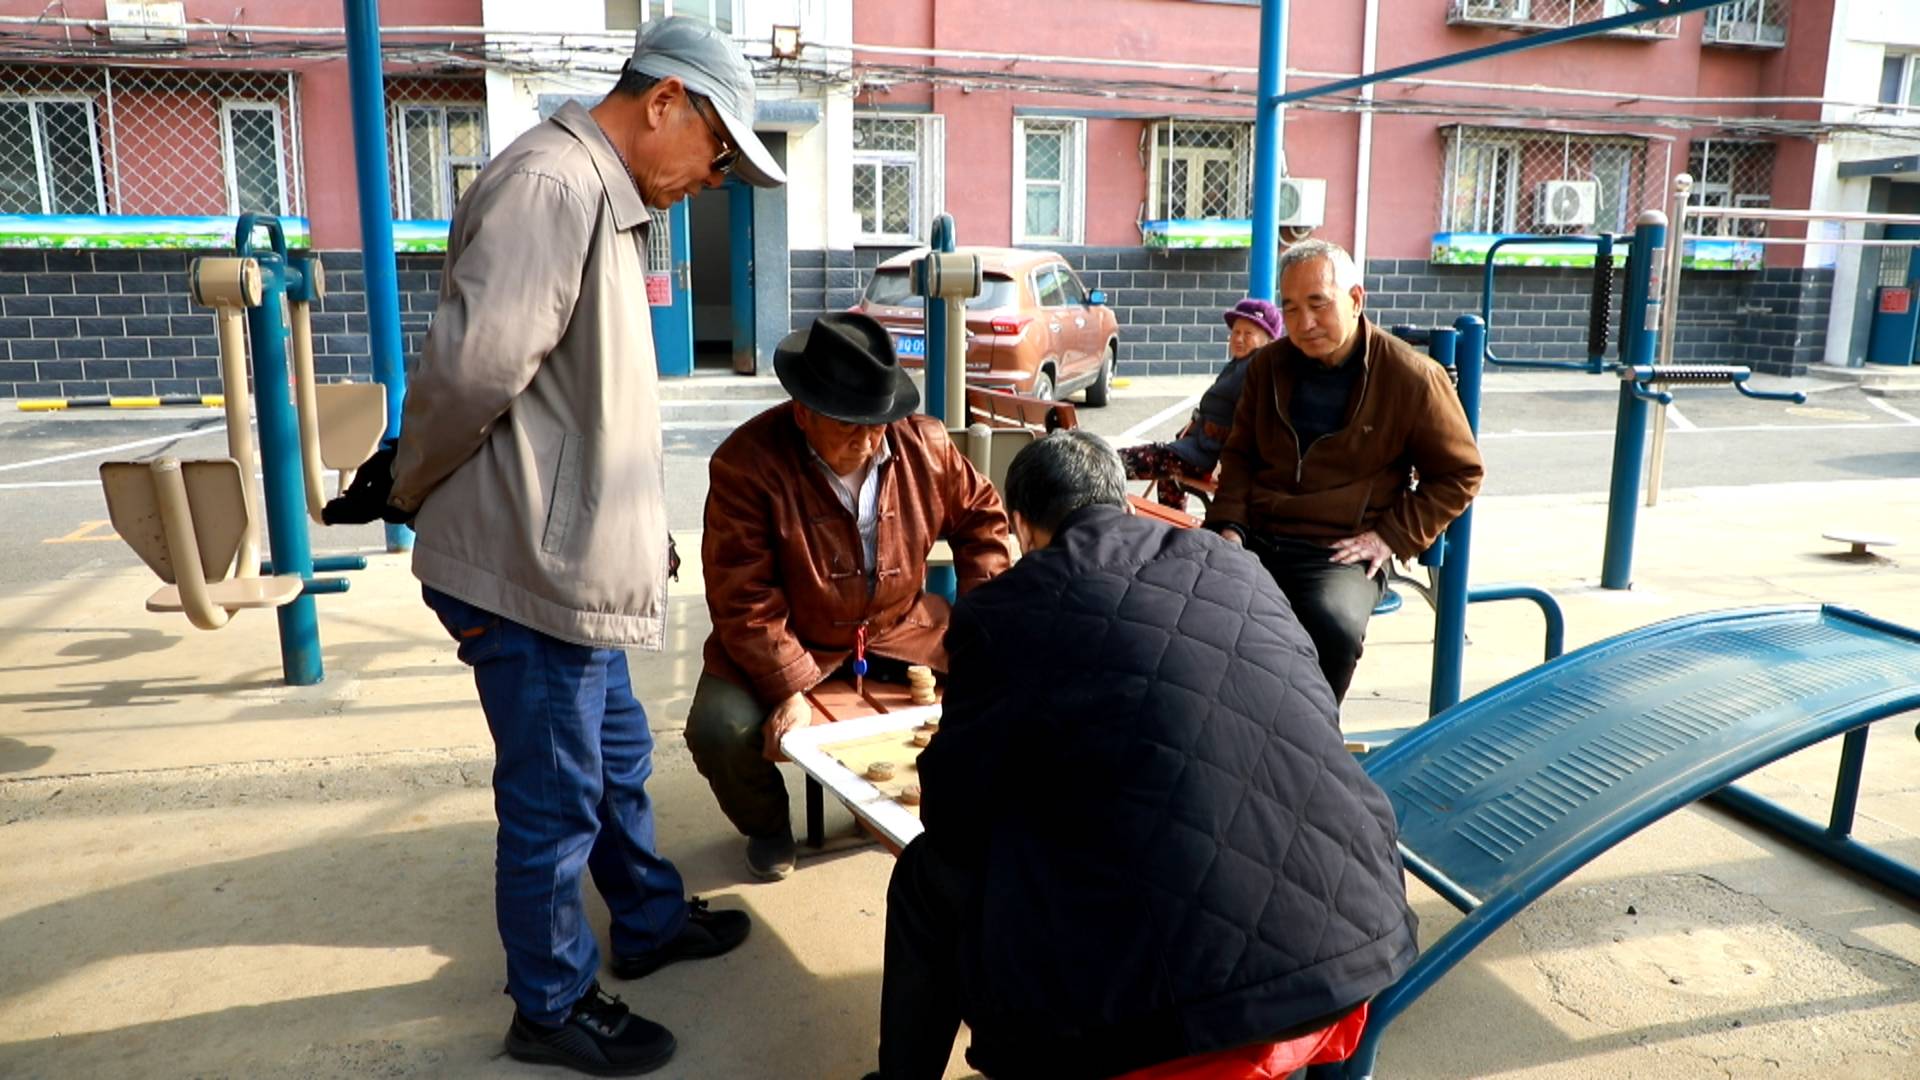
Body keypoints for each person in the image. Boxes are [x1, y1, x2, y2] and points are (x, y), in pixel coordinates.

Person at [323, 17, 784, 1077]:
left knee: (616, 758)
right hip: (528, 565)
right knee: (553, 796)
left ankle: (649, 921)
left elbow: (584, 401)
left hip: (571, 559)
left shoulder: (606, 198)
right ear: (664, 99)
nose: (712, 178)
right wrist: (411, 481)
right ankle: (552, 999)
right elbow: (473, 375)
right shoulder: (554, 186)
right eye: (716, 152)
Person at [868, 430, 1419, 1080]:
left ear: (1021, 526)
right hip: (1354, 943)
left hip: (1155, 1017)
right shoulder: (1237, 566)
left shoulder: (1007, 610)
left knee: (926, 880)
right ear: (1123, 503)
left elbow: (954, 811)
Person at [690, 311, 1011, 882]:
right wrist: (788, 682)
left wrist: (982, 619)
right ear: (803, 413)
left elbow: (983, 519)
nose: (867, 441)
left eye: (878, 423)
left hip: (898, 627)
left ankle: (941, 807)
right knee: (721, 727)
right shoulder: (746, 464)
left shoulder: (925, 445)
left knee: (1000, 684)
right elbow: (742, 596)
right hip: (790, 639)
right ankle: (767, 825)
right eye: (850, 426)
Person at [1206, 239, 1483, 704]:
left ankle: (1305, 740)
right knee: (1193, 608)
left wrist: (1391, 537)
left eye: (1319, 304)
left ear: (1356, 299)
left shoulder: (1411, 377)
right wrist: (1228, 527)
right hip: (1258, 533)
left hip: (1337, 550)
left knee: (1331, 623)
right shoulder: (1266, 366)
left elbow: (1460, 472)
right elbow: (1240, 456)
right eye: (1290, 309)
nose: (1304, 323)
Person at [1118, 297, 1281, 512]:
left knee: (1122, 463)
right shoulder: (1240, 364)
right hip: (1201, 448)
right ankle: (1174, 526)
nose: (1238, 338)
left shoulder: (1255, 369)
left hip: (1212, 457)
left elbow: (1249, 423)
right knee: (1166, 470)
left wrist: (1226, 465)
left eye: (1248, 333)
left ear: (1268, 340)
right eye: (1235, 332)